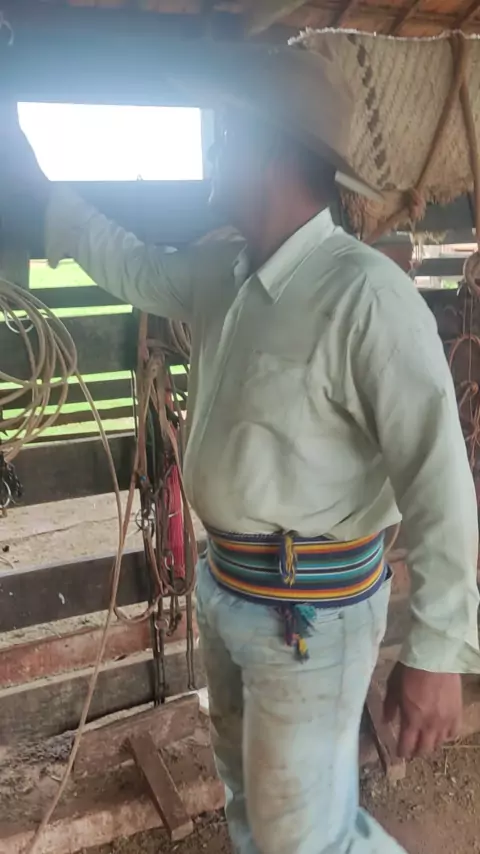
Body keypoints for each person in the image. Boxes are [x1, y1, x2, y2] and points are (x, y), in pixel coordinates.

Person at [2, 39, 480, 854]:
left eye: (225, 134)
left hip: (311, 615)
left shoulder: (365, 294)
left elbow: (439, 478)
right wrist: (42, 190)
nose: (214, 151)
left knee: (303, 837)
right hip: (229, 589)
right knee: (254, 809)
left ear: (266, 151)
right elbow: (130, 265)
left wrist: (436, 650)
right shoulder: (223, 268)